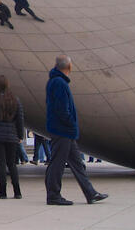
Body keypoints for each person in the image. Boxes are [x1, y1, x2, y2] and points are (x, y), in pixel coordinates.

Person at [44, 55, 108, 205]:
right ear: (69, 67)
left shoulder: (56, 81)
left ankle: (90, 193)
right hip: (63, 130)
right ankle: (53, 195)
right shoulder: (59, 83)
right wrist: (71, 124)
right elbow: (62, 109)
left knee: (77, 164)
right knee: (57, 163)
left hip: (64, 130)